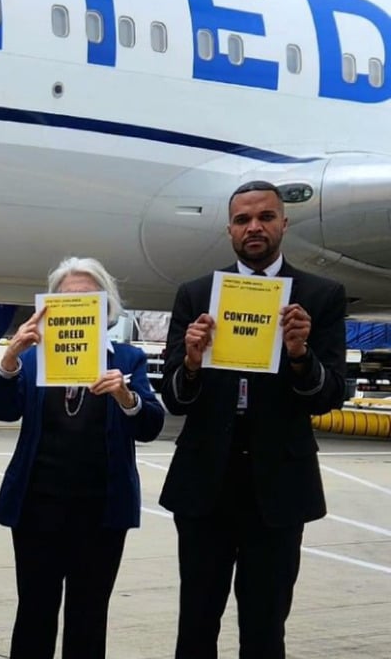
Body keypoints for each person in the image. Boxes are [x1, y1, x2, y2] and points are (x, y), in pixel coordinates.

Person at [159, 180, 347, 659]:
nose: (254, 227)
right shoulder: (197, 294)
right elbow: (176, 399)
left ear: (284, 223)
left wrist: (301, 356)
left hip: (279, 483)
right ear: (230, 230)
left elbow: (328, 396)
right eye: (243, 220)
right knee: (196, 621)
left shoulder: (321, 297)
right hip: (206, 483)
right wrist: (193, 363)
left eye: (265, 217)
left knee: (265, 626)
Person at [0, 257, 165, 659]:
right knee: (34, 612)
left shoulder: (126, 359)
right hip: (37, 507)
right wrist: (10, 359)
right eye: (67, 299)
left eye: (88, 299)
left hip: (100, 511)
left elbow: (151, 425)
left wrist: (126, 396)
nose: (78, 306)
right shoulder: (34, 359)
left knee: (88, 617)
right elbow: (1, 410)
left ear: (105, 309)